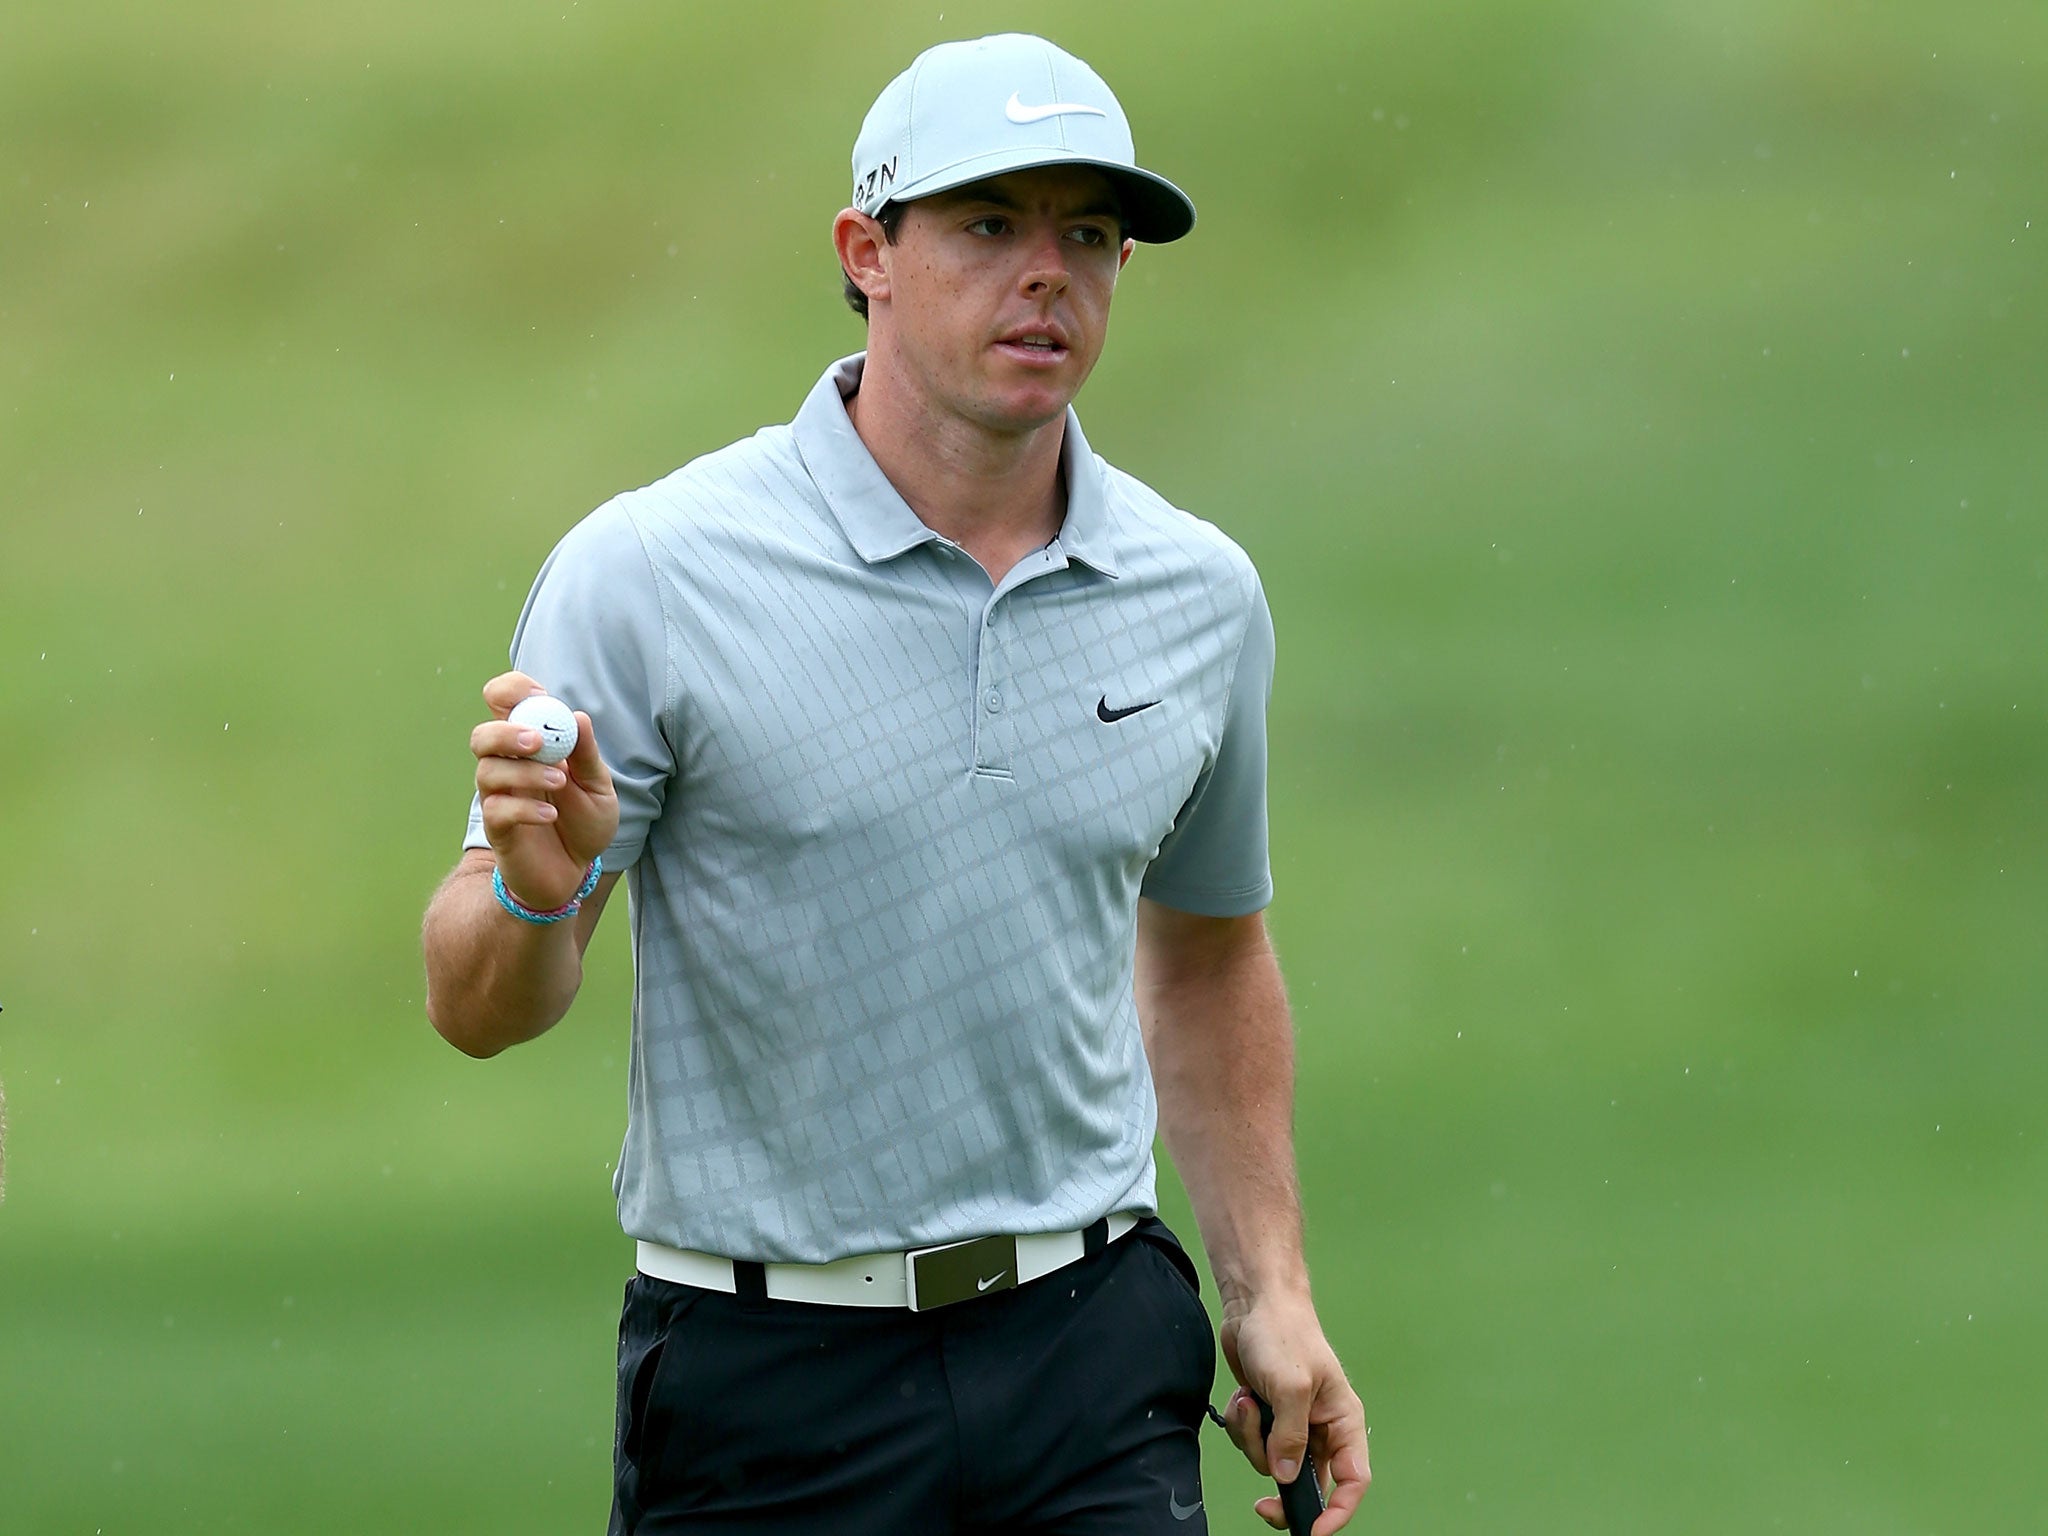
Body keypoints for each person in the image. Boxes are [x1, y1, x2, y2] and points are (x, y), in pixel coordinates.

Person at [422, 32, 1368, 1536]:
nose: (1046, 274)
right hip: (772, 1384)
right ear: (868, 253)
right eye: (990, 225)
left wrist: (1271, 1291)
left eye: (1087, 236)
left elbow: (1205, 954)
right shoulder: (656, 570)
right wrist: (539, 898)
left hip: (1088, 1355)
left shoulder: (1196, 593)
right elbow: (476, 1007)